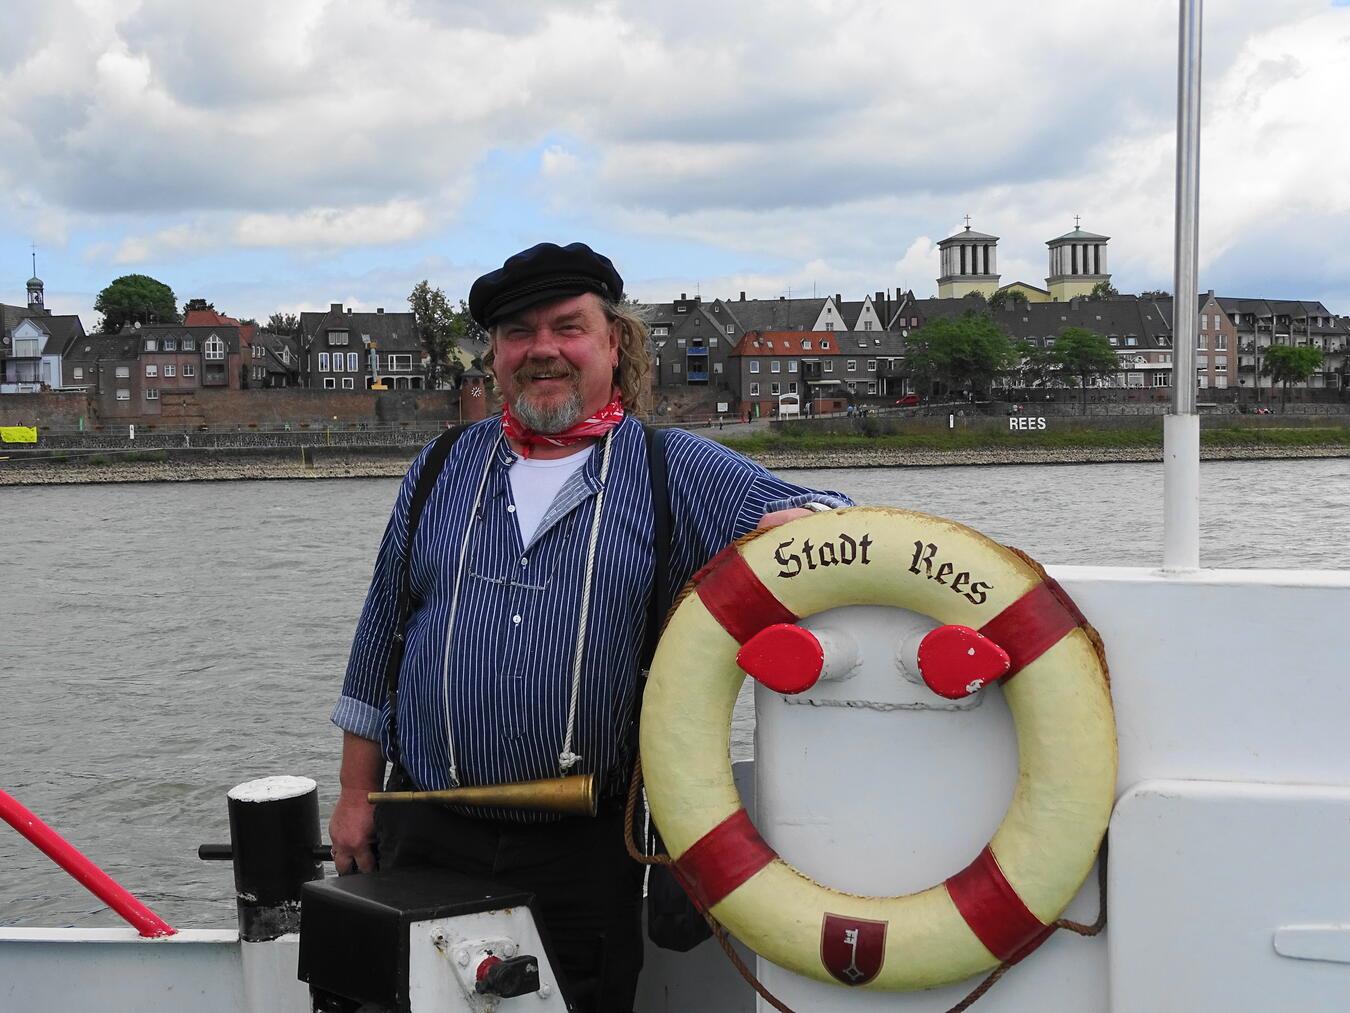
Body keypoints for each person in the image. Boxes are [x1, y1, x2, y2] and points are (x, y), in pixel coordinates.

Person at [328, 242, 849, 1012]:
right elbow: (379, 638)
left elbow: (839, 518)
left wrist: (806, 525)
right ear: (496, 355)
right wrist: (352, 791)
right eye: (517, 332)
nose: (542, 349)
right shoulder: (438, 466)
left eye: (567, 328)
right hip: (422, 832)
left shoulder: (680, 472)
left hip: (581, 852)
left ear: (615, 342)